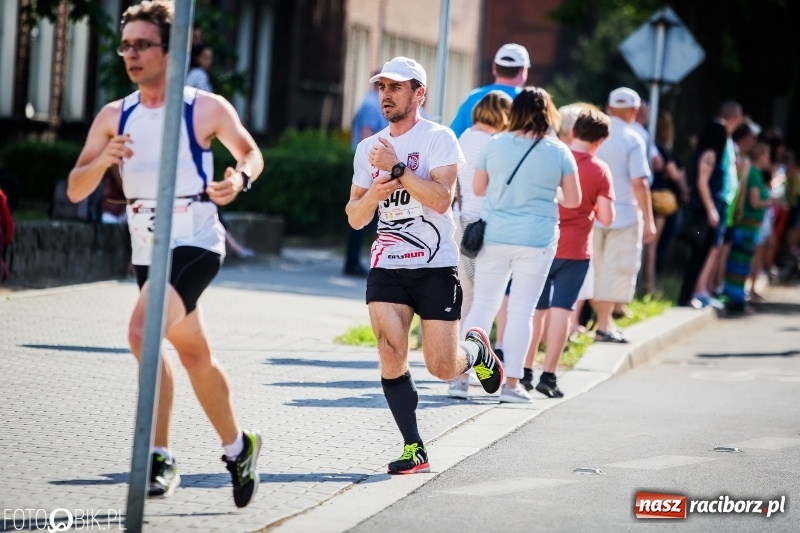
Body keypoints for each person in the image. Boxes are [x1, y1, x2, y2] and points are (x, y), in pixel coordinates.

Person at [66, 1, 264, 507]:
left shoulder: (204, 107)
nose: (131, 54)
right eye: (125, 44)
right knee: (194, 354)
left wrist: (237, 179)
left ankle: (158, 455)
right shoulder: (115, 115)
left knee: (141, 332)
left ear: (169, 49)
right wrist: (103, 160)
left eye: (142, 44)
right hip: (147, 248)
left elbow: (249, 152)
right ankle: (240, 447)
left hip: (196, 241)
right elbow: (74, 188)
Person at [346, 56, 504, 474]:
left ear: (420, 93)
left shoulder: (439, 139)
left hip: (435, 264)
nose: (386, 95)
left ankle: (475, 350)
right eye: (382, 87)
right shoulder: (369, 148)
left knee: (440, 366)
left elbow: (440, 199)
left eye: (396, 87)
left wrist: (397, 170)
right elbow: (354, 215)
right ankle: (414, 446)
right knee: (389, 348)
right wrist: (374, 197)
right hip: (388, 263)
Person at [461, 87, 581, 404]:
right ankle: (511, 385)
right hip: (537, 240)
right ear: (548, 114)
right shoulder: (558, 152)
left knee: (483, 305)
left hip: (495, 235)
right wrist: (545, 194)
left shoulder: (495, 144)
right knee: (521, 311)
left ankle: (459, 379)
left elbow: (478, 187)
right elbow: (574, 199)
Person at [522, 108, 614, 397]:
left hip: (542, 242)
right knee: (562, 310)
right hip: (575, 251)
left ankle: (524, 371)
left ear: (573, 132)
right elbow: (607, 218)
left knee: (536, 310)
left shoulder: (554, 156)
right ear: (600, 141)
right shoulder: (599, 169)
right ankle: (548, 376)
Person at [447, 90, 512, 400]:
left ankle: (457, 373)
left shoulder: (463, 139)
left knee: (467, 299)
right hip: (485, 227)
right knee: (486, 300)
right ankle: (463, 371)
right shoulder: (496, 144)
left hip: (460, 223)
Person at [592, 88, 655, 342]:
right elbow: (639, 183)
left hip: (594, 213)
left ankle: (600, 323)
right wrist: (649, 219)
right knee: (616, 270)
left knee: (596, 268)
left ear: (608, 107)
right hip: (625, 213)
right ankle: (604, 325)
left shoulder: (596, 133)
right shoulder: (634, 137)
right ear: (634, 111)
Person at [678, 101, 743, 308]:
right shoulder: (710, 154)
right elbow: (702, 183)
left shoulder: (705, 153)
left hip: (706, 208)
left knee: (702, 253)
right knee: (699, 253)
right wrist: (711, 210)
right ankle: (688, 295)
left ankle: (690, 295)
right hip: (705, 210)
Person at [343, 69, 389, 276]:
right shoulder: (373, 105)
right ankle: (355, 262)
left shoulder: (368, 101)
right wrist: (373, 166)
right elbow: (366, 134)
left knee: (366, 214)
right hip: (371, 165)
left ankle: (357, 261)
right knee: (365, 212)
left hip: (370, 163)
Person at [640, 111, 689, 293]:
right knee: (652, 244)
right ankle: (648, 284)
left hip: (647, 193)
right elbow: (672, 173)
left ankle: (644, 282)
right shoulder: (661, 151)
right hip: (659, 199)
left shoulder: (648, 145)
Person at [722, 142, 772, 312]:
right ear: (759, 155)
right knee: (740, 264)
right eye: (766, 155)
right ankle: (736, 300)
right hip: (748, 229)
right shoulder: (755, 175)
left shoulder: (753, 172)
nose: (768, 159)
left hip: (749, 228)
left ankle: (737, 299)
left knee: (740, 264)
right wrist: (769, 201)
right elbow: (754, 202)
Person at [449, 43, 530, 138]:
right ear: (523, 71)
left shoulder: (473, 97)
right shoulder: (529, 102)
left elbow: (453, 136)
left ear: (494, 68)